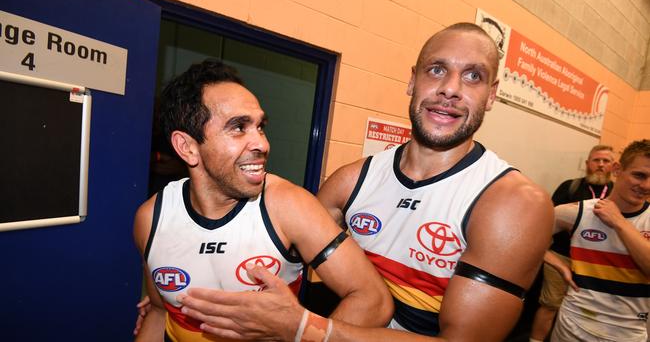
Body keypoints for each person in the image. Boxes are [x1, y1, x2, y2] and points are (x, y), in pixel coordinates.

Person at [175, 23, 555, 341]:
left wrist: (309, 329)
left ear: (492, 95)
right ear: (412, 80)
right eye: (437, 69)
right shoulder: (351, 180)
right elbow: (276, 257)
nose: (451, 88)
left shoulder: (512, 202)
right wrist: (168, 297)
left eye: (474, 76)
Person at [132, 59, 393, 341]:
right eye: (238, 127)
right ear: (187, 147)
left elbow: (374, 300)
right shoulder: (152, 219)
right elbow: (159, 312)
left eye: (260, 126)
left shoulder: (289, 206)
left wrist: (302, 331)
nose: (262, 144)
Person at [544, 139, 650, 341]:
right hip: (572, 326)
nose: (646, 185)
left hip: (628, 332)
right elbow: (525, 237)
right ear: (618, 170)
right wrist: (558, 264)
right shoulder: (578, 211)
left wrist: (619, 222)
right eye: (639, 175)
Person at [529, 144, 615, 342]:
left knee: (587, 308)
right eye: (596, 160)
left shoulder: (617, 193)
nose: (600, 165)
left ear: (614, 166)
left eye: (606, 161)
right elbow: (547, 218)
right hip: (561, 256)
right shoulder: (571, 186)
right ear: (587, 164)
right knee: (550, 304)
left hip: (595, 262)